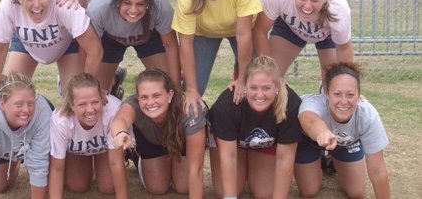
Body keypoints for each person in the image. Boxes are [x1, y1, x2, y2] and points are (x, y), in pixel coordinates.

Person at [0, 0, 102, 102]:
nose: (36, 5)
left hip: (66, 45)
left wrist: (87, 89)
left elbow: (95, 50)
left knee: (75, 99)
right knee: (10, 96)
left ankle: (66, 83)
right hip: (26, 43)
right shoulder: (8, 4)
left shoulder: (64, 5)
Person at [171, 0, 262, 109]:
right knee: (194, 89)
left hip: (239, 30)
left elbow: (244, 34)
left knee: (255, 80)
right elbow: (185, 43)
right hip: (203, 33)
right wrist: (192, 89)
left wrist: (242, 77)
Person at [208, 55, 302, 199]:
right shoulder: (226, 105)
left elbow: (285, 159)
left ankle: (253, 159)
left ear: (277, 86)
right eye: (253, 87)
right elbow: (229, 155)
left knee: (265, 193)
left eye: (266, 88)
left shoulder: (291, 104)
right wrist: (230, 197)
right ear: (244, 85)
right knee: (224, 192)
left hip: (264, 143)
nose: (260, 94)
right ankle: (245, 160)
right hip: (232, 146)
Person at [294, 62, 390, 198]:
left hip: (345, 141)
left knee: (356, 192)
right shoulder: (313, 103)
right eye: (337, 94)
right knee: (309, 191)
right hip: (309, 139)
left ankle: (333, 161)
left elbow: (377, 170)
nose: (344, 101)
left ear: (359, 95)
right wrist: (322, 132)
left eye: (350, 94)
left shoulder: (368, 114)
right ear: (327, 93)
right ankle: (320, 157)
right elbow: (310, 121)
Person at [110, 68, 207, 198]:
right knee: (157, 188)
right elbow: (120, 119)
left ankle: (173, 161)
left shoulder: (190, 110)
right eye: (144, 97)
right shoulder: (133, 104)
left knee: (184, 187)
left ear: (170, 95)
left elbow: (196, 169)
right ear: (137, 98)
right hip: (152, 140)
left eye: (156, 95)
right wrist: (120, 133)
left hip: (181, 143)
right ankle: (136, 156)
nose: (150, 102)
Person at [253, 0, 353, 84]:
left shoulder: (337, 8)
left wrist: (349, 84)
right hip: (290, 29)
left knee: (334, 84)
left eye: (315, 0)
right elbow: (259, 31)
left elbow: (343, 48)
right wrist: (269, 68)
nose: (307, 6)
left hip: (327, 34)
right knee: (269, 80)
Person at [87, 0, 180, 92]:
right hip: (109, 38)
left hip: (148, 35)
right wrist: (87, 86)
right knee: (99, 89)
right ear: (118, 0)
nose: (133, 10)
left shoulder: (159, 4)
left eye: (140, 4)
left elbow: (171, 45)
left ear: (148, 3)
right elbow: (90, 50)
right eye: (127, 3)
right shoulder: (99, 8)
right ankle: (114, 80)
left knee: (165, 84)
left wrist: (176, 85)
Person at [49, 72, 128, 199]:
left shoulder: (113, 110)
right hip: (77, 152)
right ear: (71, 105)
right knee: (77, 186)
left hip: (104, 150)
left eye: (95, 102)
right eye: (82, 104)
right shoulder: (60, 120)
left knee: (109, 186)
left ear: (102, 98)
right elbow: (57, 168)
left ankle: (114, 86)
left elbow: (115, 162)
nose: (90, 109)